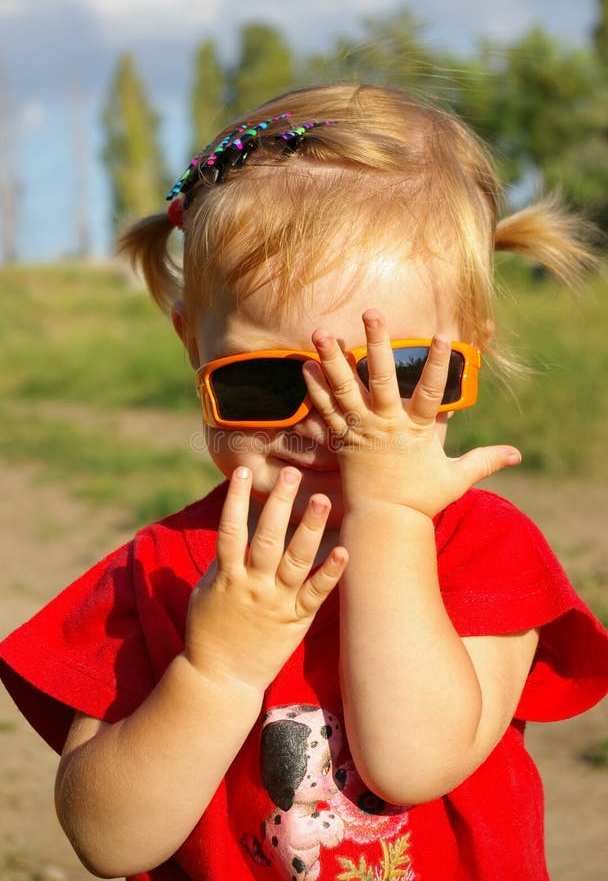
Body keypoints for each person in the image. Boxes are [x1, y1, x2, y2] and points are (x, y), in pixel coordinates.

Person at [1, 83, 607, 881]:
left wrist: (390, 512)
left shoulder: (485, 551)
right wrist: (216, 672)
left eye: (393, 373)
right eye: (266, 382)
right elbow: (106, 841)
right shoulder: (158, 573)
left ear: (472, 358)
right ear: (193, 347)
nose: (334, 422)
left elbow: (414, 762)